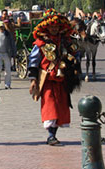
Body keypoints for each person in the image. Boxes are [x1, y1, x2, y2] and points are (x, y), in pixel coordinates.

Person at [28, 10, 81, 146]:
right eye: (52, 26)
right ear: (47, 27)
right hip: (48, 81)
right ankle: (50, 136)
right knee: (50, 106)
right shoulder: (41, 43)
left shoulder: (66, 42)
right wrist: (33, 79)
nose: (54, 29)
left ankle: (54, 134)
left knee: (60, 107)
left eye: (57, 27)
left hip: (62, 80)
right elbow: (33, 62)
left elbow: (76, 54)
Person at [0, 21, 16, 89]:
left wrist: (14, 53)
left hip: (6, 54)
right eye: (0, 27)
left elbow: (12, 44)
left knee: (8, 69)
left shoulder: (8, 34)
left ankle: (7, 84)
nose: (2, 28)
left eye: (2, 27)